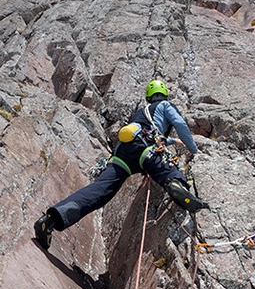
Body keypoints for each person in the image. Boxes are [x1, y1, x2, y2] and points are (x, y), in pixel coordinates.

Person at [34, 79, 208, 250]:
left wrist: (172, 141)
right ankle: (176, 183)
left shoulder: (141, 111)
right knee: (164, 169)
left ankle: (50, 220)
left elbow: (147, 130)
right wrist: (194, 150)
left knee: (100, 191)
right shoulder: (165, 106)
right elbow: (179, 123)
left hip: (122, 152)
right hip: (145, 150)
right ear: (164, 95)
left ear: (148, 97)